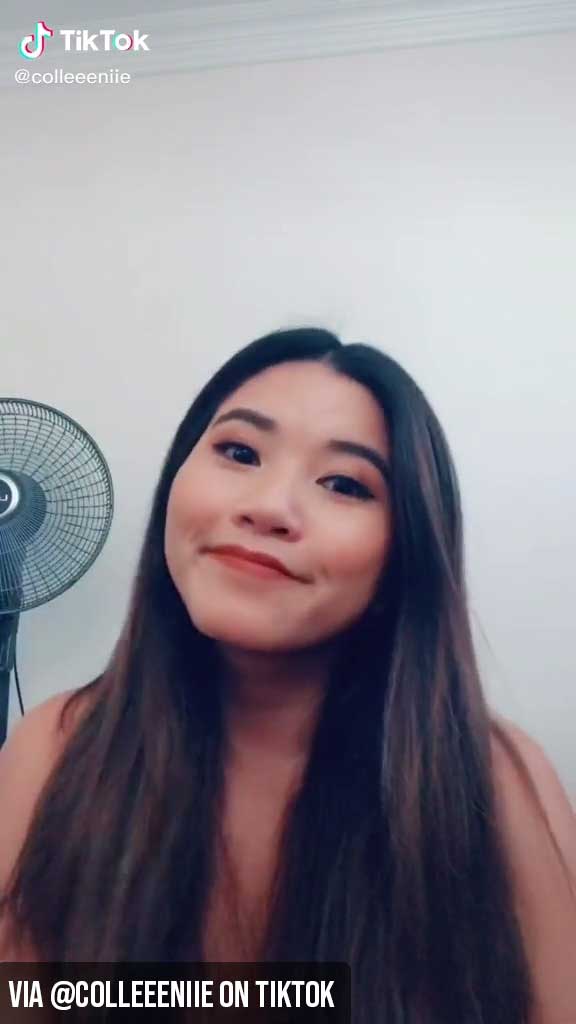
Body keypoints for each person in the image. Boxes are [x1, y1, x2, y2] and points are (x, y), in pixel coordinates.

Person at [0, 327, 575, 1022]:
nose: (269, 507)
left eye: (344, 484)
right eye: (240, 452)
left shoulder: (494, 784)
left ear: (406, 553)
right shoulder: (55, 749)